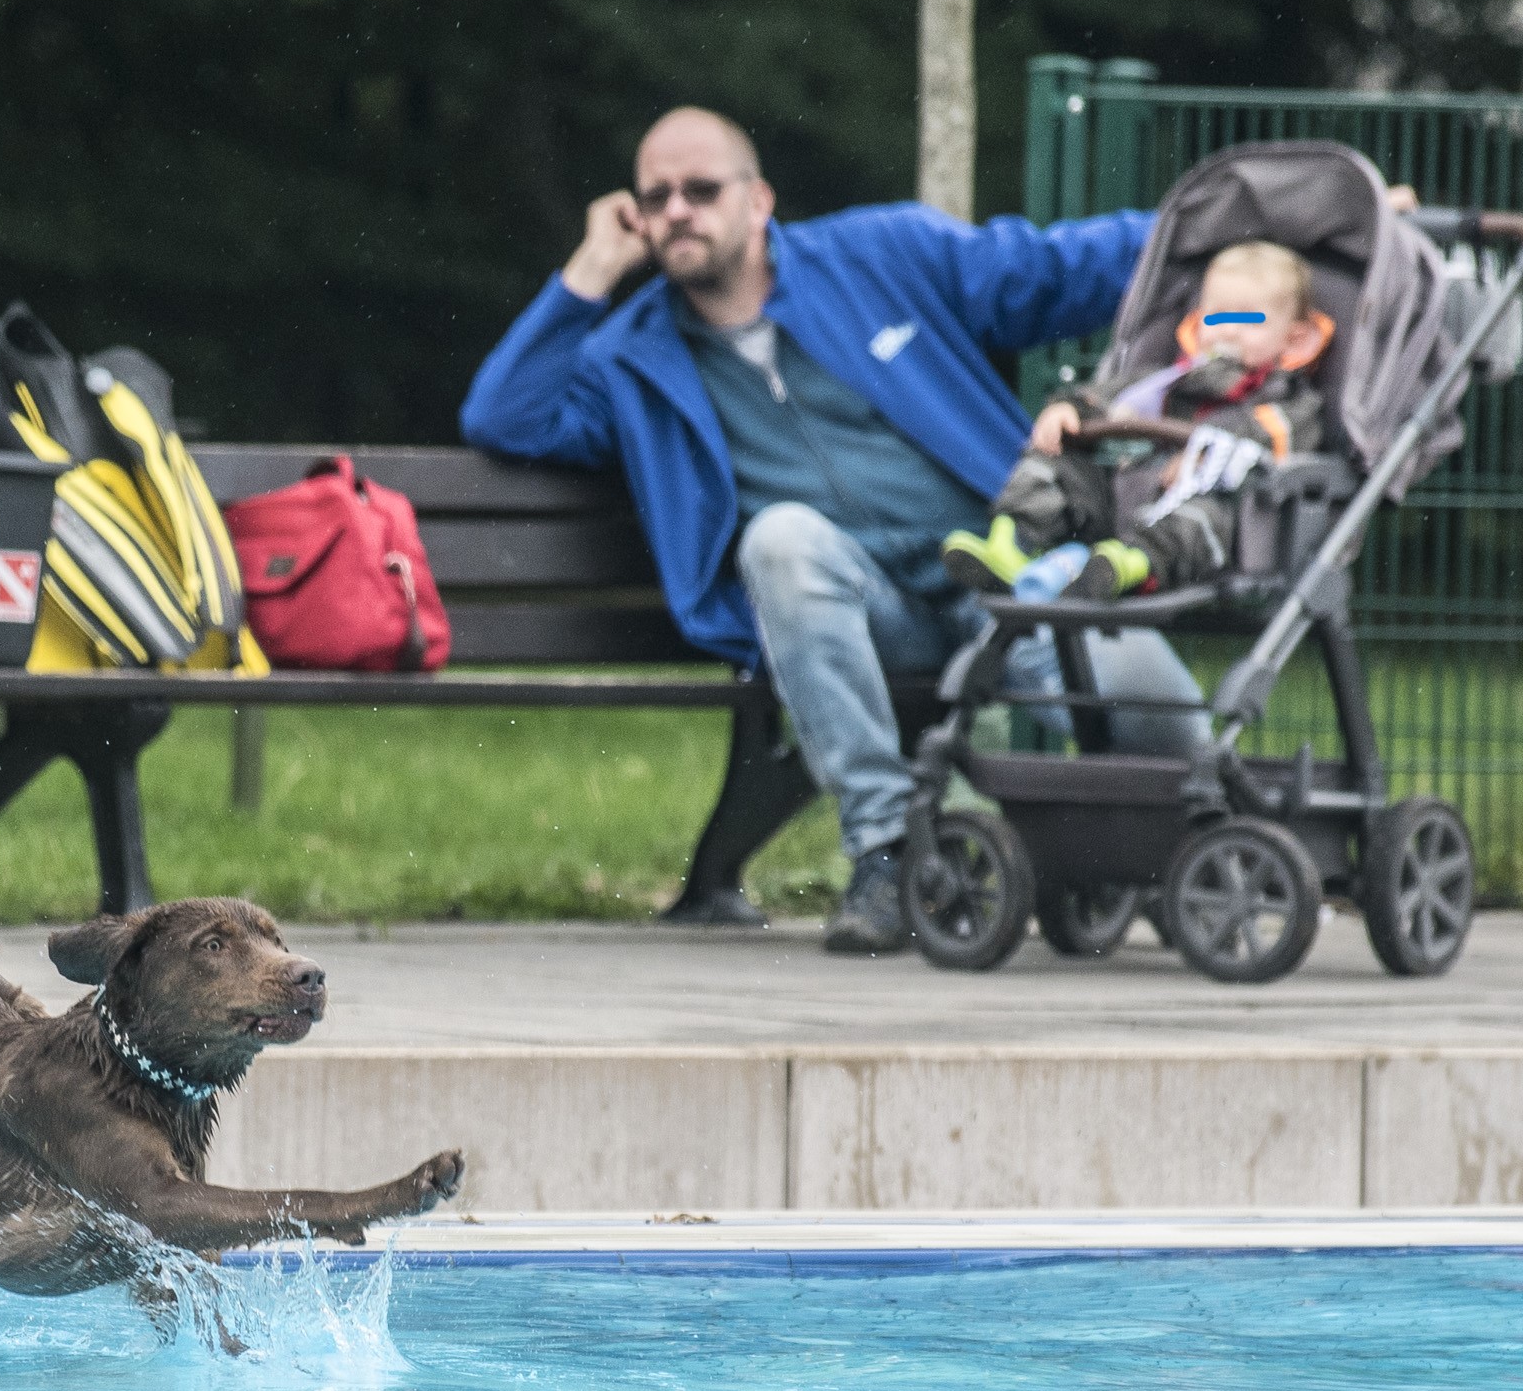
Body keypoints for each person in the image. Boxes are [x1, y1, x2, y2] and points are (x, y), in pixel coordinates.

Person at [459, 107, 1204, 954]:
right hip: (856, 614)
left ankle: (1185, 859)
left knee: (1168, 721)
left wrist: (1215, 227)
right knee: (779, 537)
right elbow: (503, 416)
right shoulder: (632, 357)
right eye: (654, 197)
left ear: (758, 200)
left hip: (1002, 575)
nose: (676, 212)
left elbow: (1052, 268)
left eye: (700, 190)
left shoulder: (880, 255)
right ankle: (886, 854)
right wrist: (592, 267)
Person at [943, 240, 1330, 601]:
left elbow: (1273, 434)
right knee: (1055, 457)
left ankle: (1130, 565)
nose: (1228, 329)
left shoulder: (1287, 400)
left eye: (1251, 321)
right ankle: (1012, 544)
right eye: (1217, 316)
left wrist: (1207, 452)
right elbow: (1106, 397)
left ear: (1293, 339)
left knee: (1205, 513)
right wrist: (1070, 408)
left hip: (1210, 524)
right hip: (1118, 502)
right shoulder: (1164, 380)